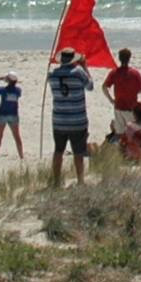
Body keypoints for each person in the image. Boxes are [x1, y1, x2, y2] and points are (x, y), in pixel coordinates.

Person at [47, 48, 94, 187]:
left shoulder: (53, 75)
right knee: (78, 152)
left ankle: (56, 181)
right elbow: (90, 86)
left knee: (58, 151)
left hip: (59, 120)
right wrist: (84, 66)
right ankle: (80, 181)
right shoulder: (78, 72)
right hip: (77, 120)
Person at [103, 48, 141, 133]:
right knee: (132, 133)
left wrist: (111, 100)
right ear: (129, 58)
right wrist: (133, 91)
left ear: (119, 58)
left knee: (120, 133)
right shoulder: (135, 73)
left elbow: (104, 87)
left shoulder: (114, 72)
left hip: (118, 107)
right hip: (131, 108)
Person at [0, 71, 25, 159]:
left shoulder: (3, 90)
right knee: (17, 136)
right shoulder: (18, 91)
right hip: (13, 115)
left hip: (2, 115)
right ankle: (21, 156)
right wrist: (8, 79)